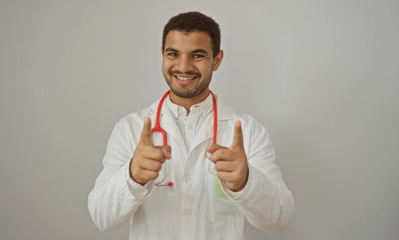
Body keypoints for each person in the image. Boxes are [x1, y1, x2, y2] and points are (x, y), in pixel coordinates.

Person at [88, 11, 294, 240]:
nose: (183, 67)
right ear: (162, 55)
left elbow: (280, 219)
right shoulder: (129, 129)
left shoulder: (249, 131)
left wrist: (245, 182)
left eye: (197, 56)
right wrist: (132, 176)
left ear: (217, 60)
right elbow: (102, 218)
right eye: (173, 54)